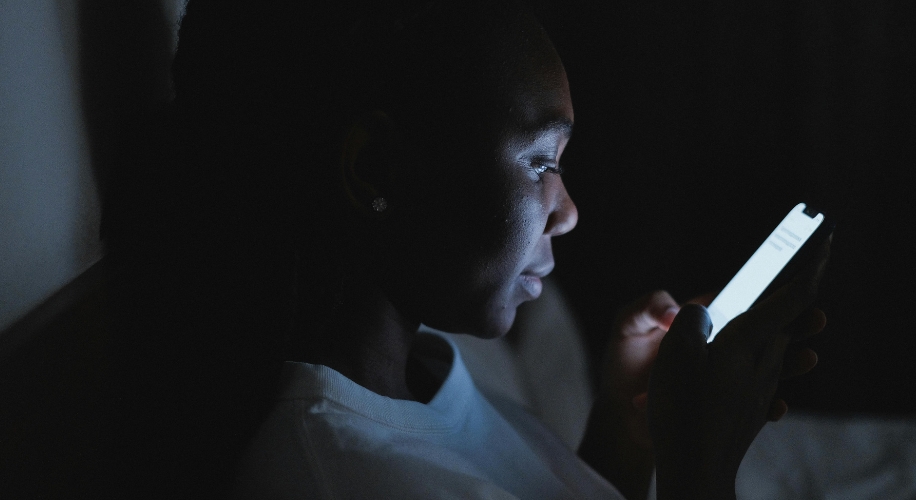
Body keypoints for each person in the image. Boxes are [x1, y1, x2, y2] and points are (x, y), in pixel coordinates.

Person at [152, 1, 831, 498]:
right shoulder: (340, 475)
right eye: (542, 164)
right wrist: (702, 471)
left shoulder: (422, 373)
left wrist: (626, 436)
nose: (567, 213)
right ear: (375, 169)